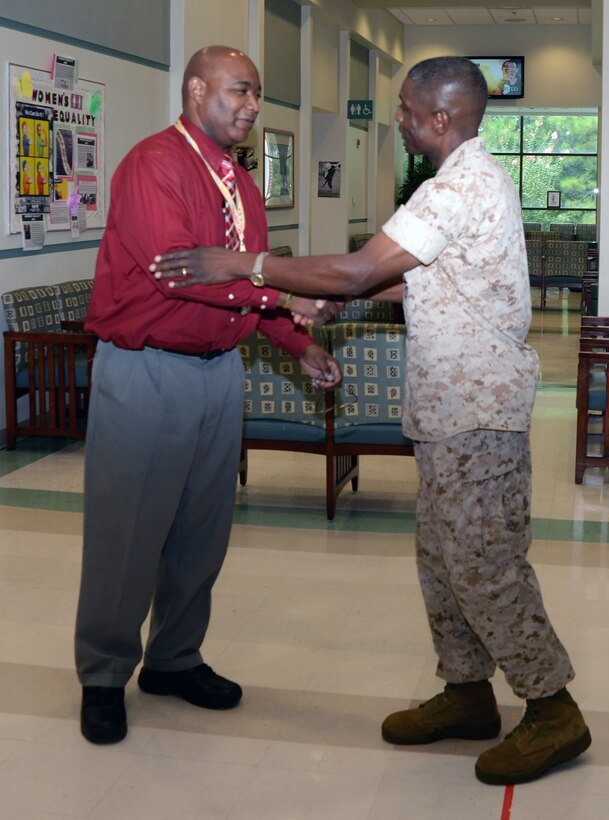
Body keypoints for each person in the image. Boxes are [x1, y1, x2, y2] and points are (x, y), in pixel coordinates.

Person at [151, 56, 591, 786]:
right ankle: (466, 693)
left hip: (475, 413)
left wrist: (247, 265)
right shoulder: (465, 181)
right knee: (440, 561)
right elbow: (416, 278)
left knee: (482, 564)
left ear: (440, 119)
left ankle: (553, 708)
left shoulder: (457, 186)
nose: (398, 118)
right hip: (452, 412)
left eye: (407, 109)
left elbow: (359, 269)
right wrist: (335, 300)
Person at [75, 45, 341, 746]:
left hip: (218, 371)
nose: (251, 106)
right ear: (196, 90)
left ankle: (173, 659)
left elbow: (242, 289)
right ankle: (103, 674)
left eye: (256, 95)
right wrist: (287, 293)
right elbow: (176, 274)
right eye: (240, 91)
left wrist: (297, 343)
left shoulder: (240, 183)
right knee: (127, 532)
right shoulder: (154, 165)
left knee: (201, 530)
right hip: (145, 370)